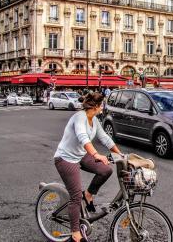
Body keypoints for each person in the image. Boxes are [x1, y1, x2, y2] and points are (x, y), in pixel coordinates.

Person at [54, 92, 123, 242]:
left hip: (80, 155)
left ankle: (89, 194)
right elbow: (82, 137)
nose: (103, 107)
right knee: (76, 197)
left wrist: (121, 155)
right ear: (96, 106)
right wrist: (96, 154)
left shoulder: (94, 120)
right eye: (102, 105)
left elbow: (105, 138)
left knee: (105, 170)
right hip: (65, 159)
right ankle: (75, 232)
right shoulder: (80, 117)